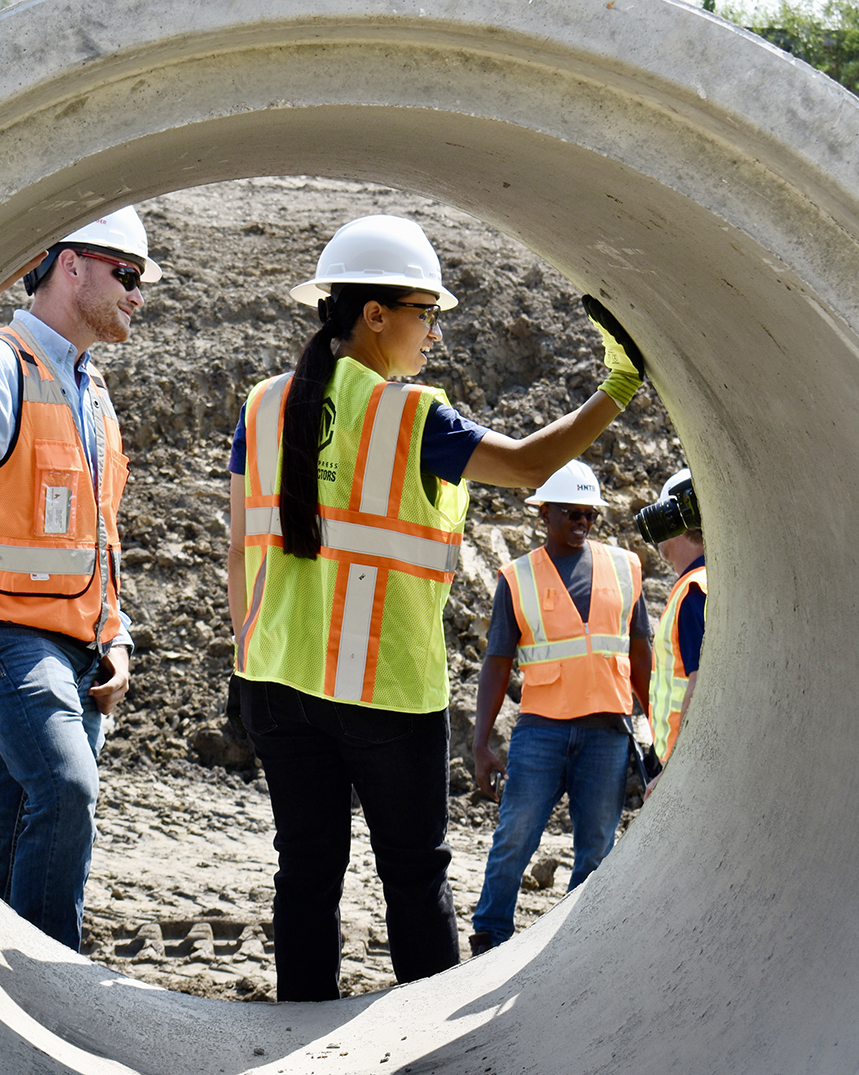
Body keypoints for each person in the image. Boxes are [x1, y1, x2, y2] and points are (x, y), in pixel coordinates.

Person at [226, 214, 648, 1001]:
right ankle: (428, 1044)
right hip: (384, 691)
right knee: (415, 874)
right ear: (375, 315)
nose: (435, 335)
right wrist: (618, 385)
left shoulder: (262, 405)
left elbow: (239, 550)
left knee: (306, 871)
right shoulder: (412, 417)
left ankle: (297, 1038)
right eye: (426, 314)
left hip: (276, 685)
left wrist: (242, 663)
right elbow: (530, 465)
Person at [0, 206, 157, 951]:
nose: (138, 294)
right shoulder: (3, 364)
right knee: (66, 788)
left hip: (79, 643)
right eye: (128, 275)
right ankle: (51, 981)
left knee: (10, 840)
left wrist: (118, 637)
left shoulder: (92, 393)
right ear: (70, 263)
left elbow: (96, 537)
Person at [468, 459, 652, 955]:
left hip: (607, 732)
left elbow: (640, 653)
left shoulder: (625, 565)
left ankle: (576, 944)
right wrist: (481, 742)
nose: (583, 523)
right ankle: (489, 936)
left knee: (597, 846)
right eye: (572, 513)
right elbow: (497, 662)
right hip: (542, 731)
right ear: (544, 513)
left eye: (590, 514)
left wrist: (655, 723)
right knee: (516, 836)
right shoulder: (517, 576)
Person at [647, 467, 707, 779]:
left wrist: (673, 774)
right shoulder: (710, 582)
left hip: (686, 765)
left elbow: (699, 686)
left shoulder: (692, 591)